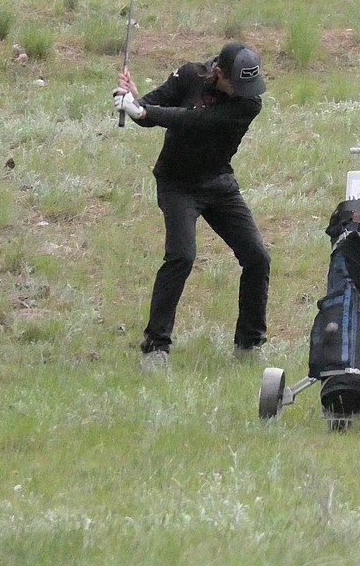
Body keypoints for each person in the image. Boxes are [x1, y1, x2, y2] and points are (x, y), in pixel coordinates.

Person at [113, 41, 271, 369]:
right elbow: (149, 111)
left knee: (257, 257)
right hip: (177, 185)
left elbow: (195, 121)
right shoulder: (188, 76)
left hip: (219, 184)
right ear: (218, 73)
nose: (245, 92)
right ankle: (155, 347)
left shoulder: (248, 106)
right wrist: (132, 99)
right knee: (182, 256)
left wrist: (142, 111)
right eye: (237, 84)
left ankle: (249, 344)